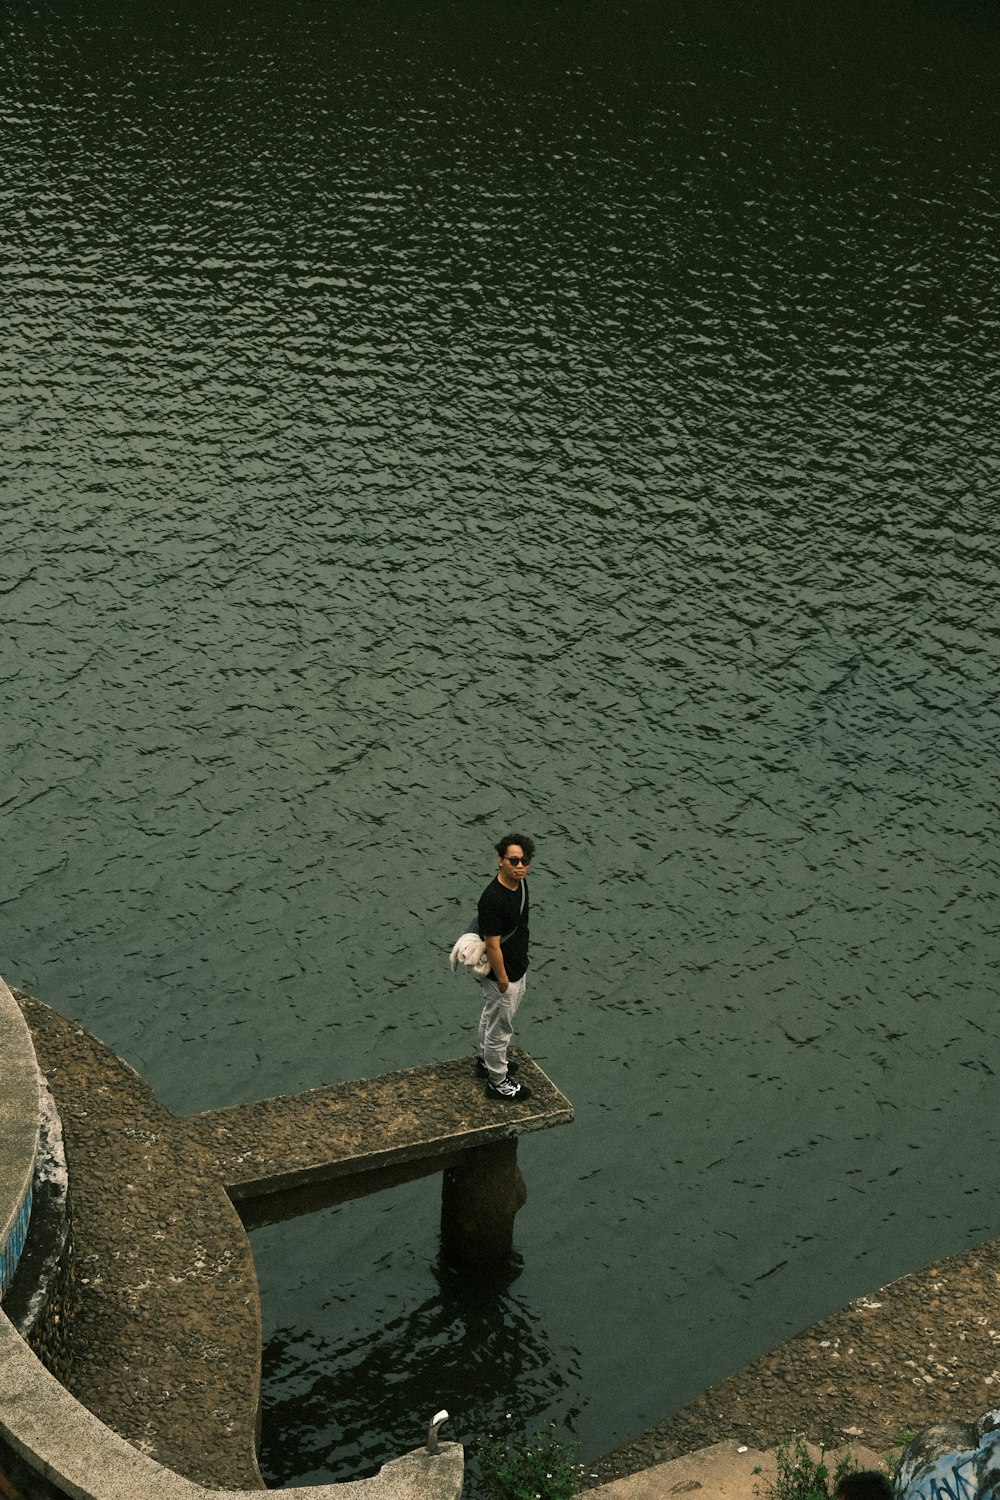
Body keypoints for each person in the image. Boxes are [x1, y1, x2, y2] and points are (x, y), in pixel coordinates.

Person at [475, 834, 535, 1102]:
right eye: (514, 860)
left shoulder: (520, 885)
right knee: (500, 1030)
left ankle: (485, 1061)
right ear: (501, 861)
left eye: (525, 860)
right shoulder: (492, 899)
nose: (520, 865)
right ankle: (497, 1080)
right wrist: (502, 979)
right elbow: (493, 945)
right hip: (503, 975)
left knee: (492, 1017)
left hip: (517, 967)